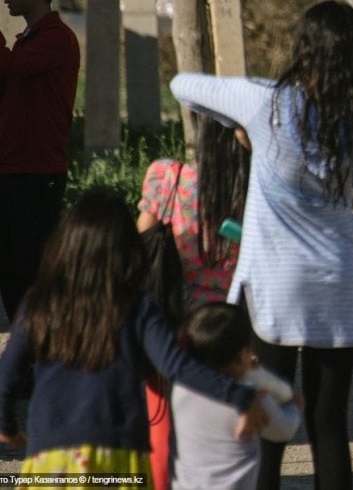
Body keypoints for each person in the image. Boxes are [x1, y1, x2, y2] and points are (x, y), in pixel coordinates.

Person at [169, 0, 353, 489]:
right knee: (329, 428)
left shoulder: (266, 105)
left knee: (268, 428)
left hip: (274, 293)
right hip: (338, 290)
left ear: (303, 52)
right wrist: (340, 228)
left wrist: (238, 125)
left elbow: (182, 87)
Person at [0, 187, 267, 480]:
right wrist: (238, 395)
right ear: (127, 248)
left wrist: (6, 425)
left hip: (49, 456)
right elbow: (175, 366)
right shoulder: (138, 307)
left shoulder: (38, 302)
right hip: (117, 455)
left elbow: (6, 375)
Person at [136, 117, 252, 490]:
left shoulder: (167, 176)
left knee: (161, 423)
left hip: (168, 318)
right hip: (227, 326)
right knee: (220, 429)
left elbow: (143, 239)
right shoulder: (254, 191)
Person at [0, 0, 81, 322]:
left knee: (29, 273)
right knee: (11, 273)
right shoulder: (28, 39)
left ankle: (36, 358)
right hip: (13, 170)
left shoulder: (56, 40)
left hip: (35, 174)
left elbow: (13, 69)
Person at [172, 302, 302, 490]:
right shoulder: (251, 397)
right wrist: (294, 407)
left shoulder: (181, 389)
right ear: (242, 356)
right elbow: (282, 430)